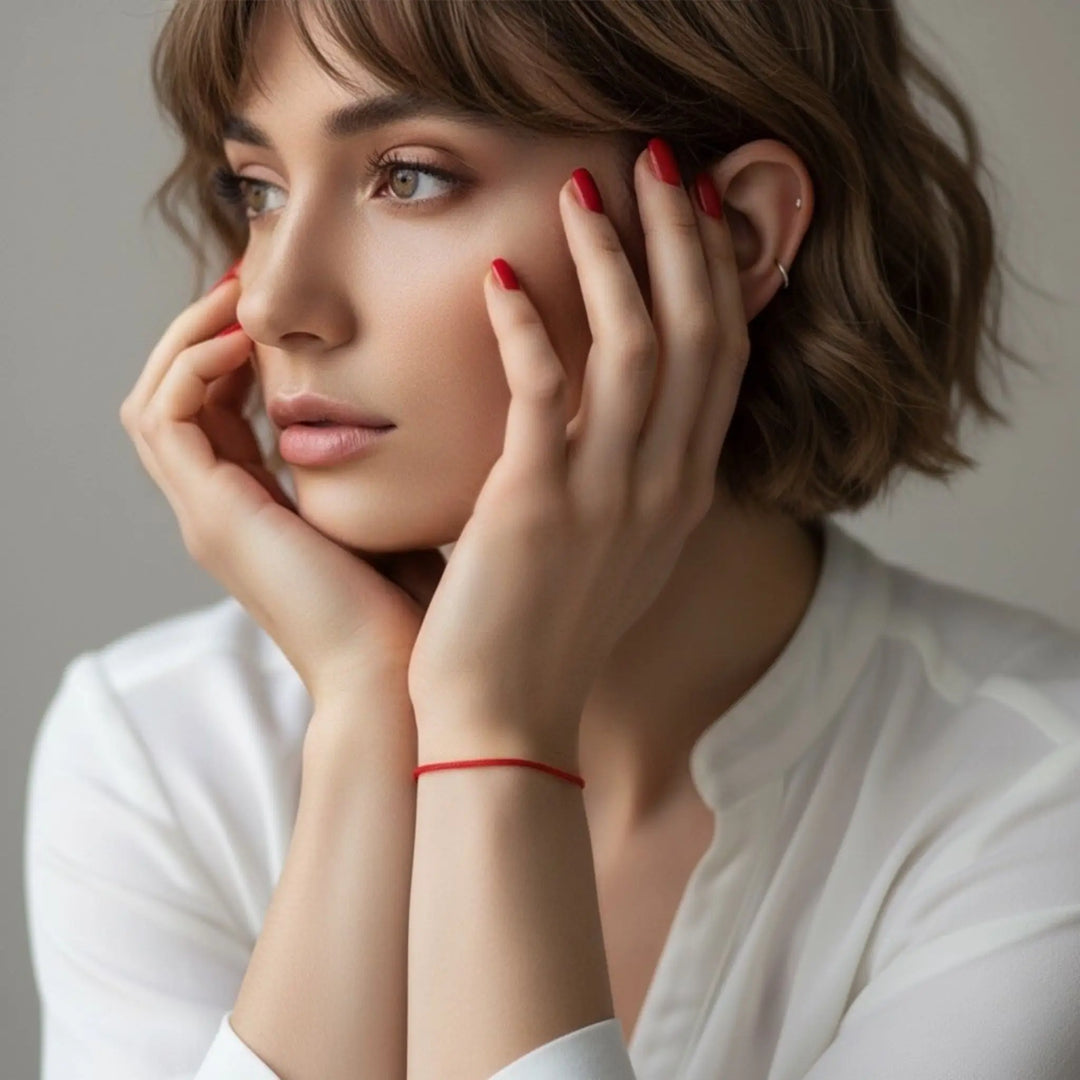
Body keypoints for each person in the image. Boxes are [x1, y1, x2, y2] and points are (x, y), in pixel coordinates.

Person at [23, 1, 1080, 1078]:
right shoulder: (157, 756)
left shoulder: (1033, 790)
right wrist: (369, 717)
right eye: (257, 189)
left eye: (411, 176)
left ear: (737, 231)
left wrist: (494, 732)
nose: (278, 304)